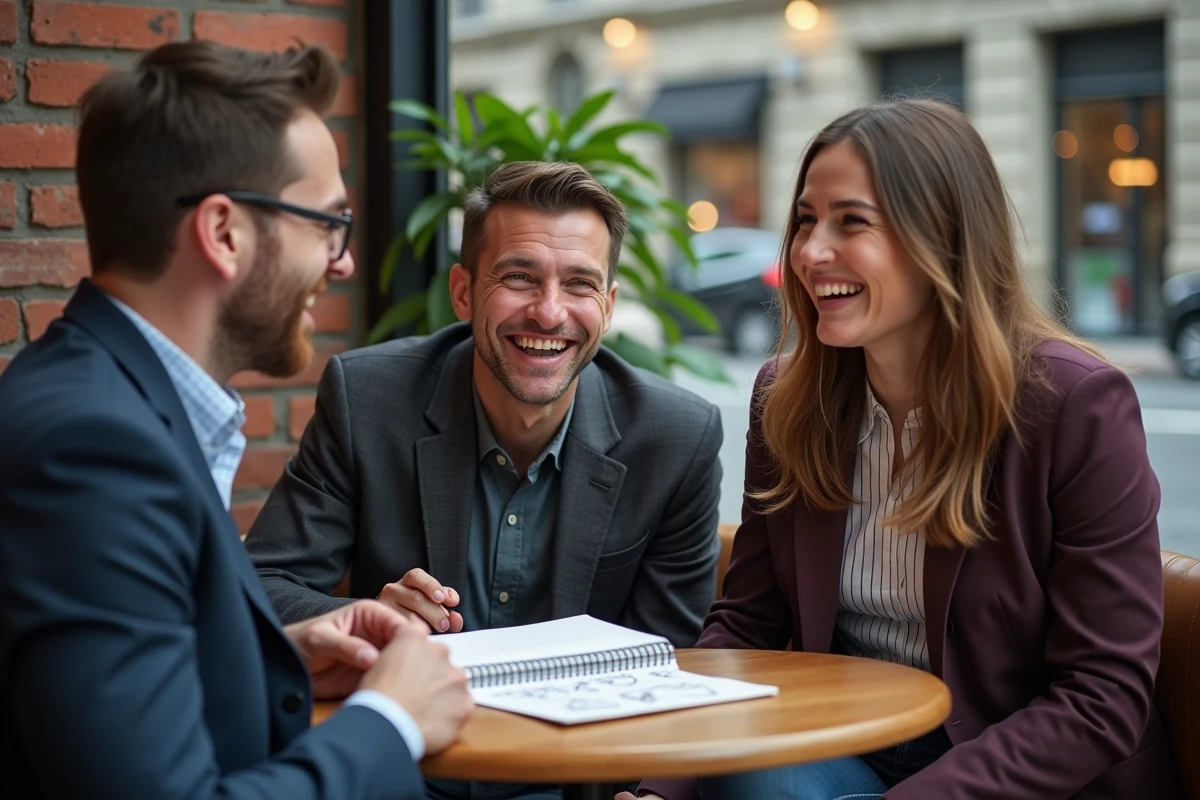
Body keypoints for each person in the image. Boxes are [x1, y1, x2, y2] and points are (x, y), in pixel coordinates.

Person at [627, 98, 1177, 800]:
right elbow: (748, 623)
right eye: (805, 220)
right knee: (752, 777)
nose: (809, 252)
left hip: (1016, 767)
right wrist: (659, 786)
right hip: (848, 739)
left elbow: (1103, 697)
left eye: (852, 221)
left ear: (943, 239)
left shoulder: (1075, 404)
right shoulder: (786, 397)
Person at [0, 41, 473, 799]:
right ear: (224, 233)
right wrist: (392, 721)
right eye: (327, 223)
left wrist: (270, 660)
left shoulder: (111, 402)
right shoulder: (93, 448)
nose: (343, 262)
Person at [244, 160, 724, 798]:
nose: (548, 312)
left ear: (607, 307)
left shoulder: (675, 438)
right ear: (464, 292)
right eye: (519, 277)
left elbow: (672, 657)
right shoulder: (367, 400)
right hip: (405, 775)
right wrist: (365, 618)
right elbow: (260, 588)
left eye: (579, 284)